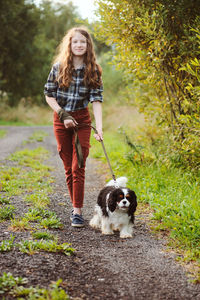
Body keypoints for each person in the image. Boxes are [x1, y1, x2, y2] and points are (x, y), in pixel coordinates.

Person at [44, 27, 103, 228]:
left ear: (88, 46)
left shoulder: (93, 69)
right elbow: (49, 94)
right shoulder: (58, 67)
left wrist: (100, 129)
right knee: (68, 167)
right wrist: (63, 114)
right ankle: (74, 207)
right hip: (61, 119)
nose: (79, 45)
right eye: (75, 42)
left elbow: (96, 100)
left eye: (83, 42)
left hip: (82, 121)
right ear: (69, 45)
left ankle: (77, 211)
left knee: (79, 166)